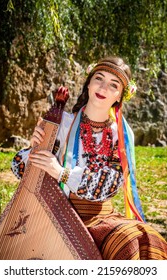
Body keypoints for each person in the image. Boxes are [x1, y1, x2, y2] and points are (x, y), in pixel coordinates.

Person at [11, 56, 167, 260]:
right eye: (99, 79)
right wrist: (35, 148)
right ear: (89, 83)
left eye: (113, 85)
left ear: (120, 95)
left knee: (140, 238)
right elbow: (19, 170)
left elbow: (109, 184)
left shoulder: (121, 134)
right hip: (56, 213)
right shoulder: (62, 123)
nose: (103, 87)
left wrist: (61, 172)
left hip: (100, 217)